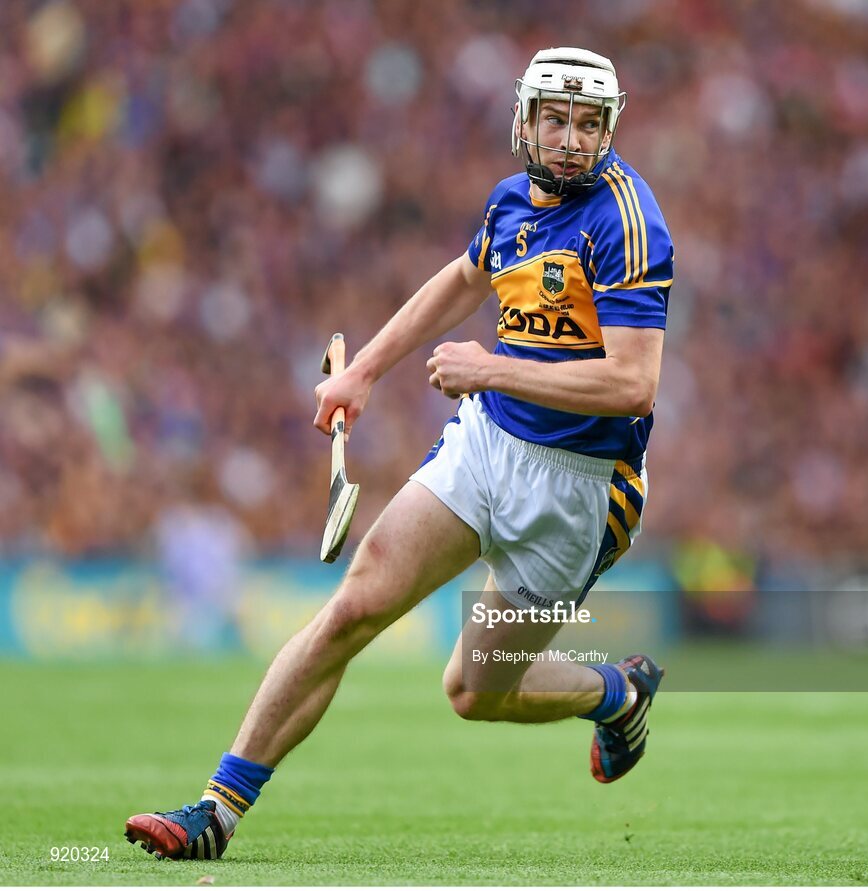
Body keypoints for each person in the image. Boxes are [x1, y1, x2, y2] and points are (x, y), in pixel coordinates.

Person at [125, 46, 674, 861]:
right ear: (523, 120)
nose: (568, 140)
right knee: (355, 605)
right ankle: (217, 808)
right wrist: (364, 372)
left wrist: (487, 366)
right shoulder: (510, 203)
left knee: (473, 692)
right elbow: (462, 280)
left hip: (581, 492)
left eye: (587, 124)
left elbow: (634, 384)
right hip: (488, 444)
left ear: (609, 129)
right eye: (554, 119)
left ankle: (617, 691)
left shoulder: (627, 222)